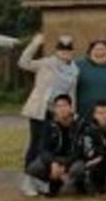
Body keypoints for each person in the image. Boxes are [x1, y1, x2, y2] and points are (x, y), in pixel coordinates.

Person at [18, 33, 78, 170]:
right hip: (41, 108)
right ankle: (30, 172)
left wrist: (72, 111)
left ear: (72, 52)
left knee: (52, 143)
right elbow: (23, 63)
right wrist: (35, 44)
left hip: (58, 111)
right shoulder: (46, 63)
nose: (65, 52)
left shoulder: (74, 70)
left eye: (68, 50)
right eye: (62, 49)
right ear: (57, 51)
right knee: (37, 141)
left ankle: (46, 172)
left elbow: (72, 93)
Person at [22, 94, 78, 197]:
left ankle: (79, 184)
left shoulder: (78, 126)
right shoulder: (49, 126)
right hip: (55, 160)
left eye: (65, 105)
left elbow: (79, 150)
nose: (62, 109)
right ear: (54, 110)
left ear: (71, 108)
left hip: (70, 160)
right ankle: (53, 182)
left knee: (78, 168)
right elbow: (43, 149)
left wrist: (65, 165)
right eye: (58, 106)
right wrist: (53, 163)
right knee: (34, 168)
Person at [76, 39, 106, 120]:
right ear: (89, 52)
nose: (100, 52)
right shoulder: (78, 67)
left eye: (103, 49)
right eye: (97, 49)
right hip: (84, 116)